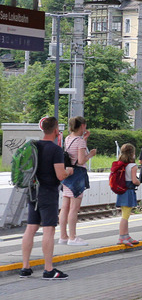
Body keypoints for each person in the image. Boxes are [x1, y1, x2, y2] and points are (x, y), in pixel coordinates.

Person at [20, 116, 73, 280]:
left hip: (33, 191)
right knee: (49, 229)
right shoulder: (55, 150)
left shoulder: (34, 146)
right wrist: (69, 171)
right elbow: (60, 175)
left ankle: (25, 267)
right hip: (48, 193)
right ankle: (48, 269)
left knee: (31, 228)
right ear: (56, 130)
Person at [58, 116, 96, 247]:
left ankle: (63, 236)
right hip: (77, 176)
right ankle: (72, 237)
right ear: (82, 126)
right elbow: (80, 161)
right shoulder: (80, 142)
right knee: (74, 208)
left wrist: (85, 139)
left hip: (68, 175)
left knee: (65, 207)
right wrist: (90, 154)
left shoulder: (68, 138)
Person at [114, 144, 142, 246]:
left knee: (125, 214)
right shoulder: (133, 166)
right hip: (129, 192)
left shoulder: (121, 165)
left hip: (121, 191)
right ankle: (122, 237)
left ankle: (126, 236)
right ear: (132, 154)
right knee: (125, 216)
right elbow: (134, 181)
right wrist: (139, 182)